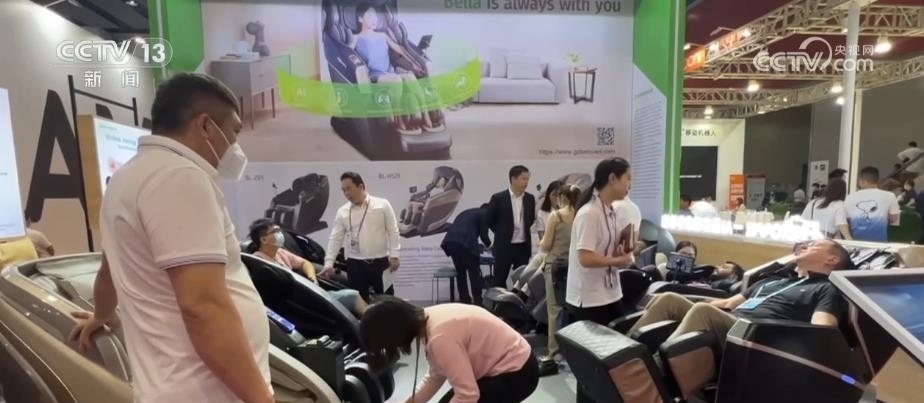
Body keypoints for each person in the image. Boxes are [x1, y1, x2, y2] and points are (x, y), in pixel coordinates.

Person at [70, 73, 272, 403]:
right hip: (209, 391)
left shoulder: (125, 177)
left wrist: (102, 314)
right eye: (234, 132)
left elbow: (109, 270)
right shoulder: (180, 177)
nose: (235, 146)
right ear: (205, 126)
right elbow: (202, 307)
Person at [627, 239, 853, 345]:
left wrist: (700, 310)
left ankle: (650, 373)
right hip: (732, 321)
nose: (804, 246)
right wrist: (688, 306)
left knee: (703, 311)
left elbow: (823, 334)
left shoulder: (827, 289)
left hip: (757, 335)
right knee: (669, 299)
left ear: (831, 259)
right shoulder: (775, 279)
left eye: (813, 245)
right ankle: (625, 353)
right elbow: (728, 304)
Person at [360, 296, 539, 403]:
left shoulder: (439, 338)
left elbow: (468, 395)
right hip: (516, 363)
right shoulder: (429, 318)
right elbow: (435, 375)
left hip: (518, 373)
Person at [247, 219, 368, 317]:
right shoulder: (259, 262)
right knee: (353, 296)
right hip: (298, 304)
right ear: (263, 239)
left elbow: (304, 263)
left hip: (307, 294)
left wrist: (312, 278)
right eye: (275, 231)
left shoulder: (279, 252)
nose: (280, 234)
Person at [351, 3, 442, 135]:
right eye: (370, 16)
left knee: (410, 76)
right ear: (360, 19)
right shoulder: (356, 38)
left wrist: (413, 63)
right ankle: (399, 120)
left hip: (390, 73)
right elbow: (347, 53)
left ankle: (426, 116)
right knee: (396, 80)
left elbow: (400, 49)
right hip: (375, 77)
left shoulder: (383, 35)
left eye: (375, 16)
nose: (375, 19)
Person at [565, 158, 634, 326]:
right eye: (628, 178)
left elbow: (604, 249)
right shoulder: (589, 213)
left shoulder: (611, 210)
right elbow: (586, 258)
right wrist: (618, 260)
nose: (630, 185)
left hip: (610, 292)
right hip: (590, 298)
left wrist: (621, 252)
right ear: (612, 178)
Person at [324, 172, 401, 300]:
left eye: (349, 188)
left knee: (387, 301)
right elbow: (335, 239)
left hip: (380, 262)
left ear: (360, 186)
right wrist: (329, 263)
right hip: (355, 264)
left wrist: (395, 255)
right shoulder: (342, 211)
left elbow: (393, 230)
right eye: (343, 190)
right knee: (359, 301)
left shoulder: (382, 205)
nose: (346, 193)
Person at [535, 184, 580, 363]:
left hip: (555, 266)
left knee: (554, 310)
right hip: (575, 267)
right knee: (573, 310)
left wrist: (542, 243)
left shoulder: (557, 216)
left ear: (564, 197)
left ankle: (554, 353)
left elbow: (546, 245)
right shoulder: (581, 215)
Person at [485, 165, 536, 288]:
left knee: (522, 280)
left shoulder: (530, 198)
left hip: (523, 246)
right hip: (504, 246)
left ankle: (518, 301)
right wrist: (502, 232)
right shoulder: (498, 198)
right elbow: (489, 220)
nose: (526, 182)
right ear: (513, 179)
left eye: (528, 179)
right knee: (499, 279)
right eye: (524, 179)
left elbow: (530, 219)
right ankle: (499, 300)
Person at [440, 204, 492, 305]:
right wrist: (491, 247)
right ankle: (478, 302)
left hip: (450, 242)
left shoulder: (468, 212)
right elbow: (484, 236)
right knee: (474, 273)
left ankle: (464, 302)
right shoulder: (485, 214)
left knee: (461, 273)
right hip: (465, 243)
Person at [845, 166, 901, 242]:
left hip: (856, 243)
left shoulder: (850, 197)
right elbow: (894, 218)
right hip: (880, 243)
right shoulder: (890, 196)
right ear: (877, 181)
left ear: (862, 181)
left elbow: (846, 221)